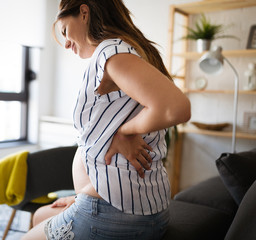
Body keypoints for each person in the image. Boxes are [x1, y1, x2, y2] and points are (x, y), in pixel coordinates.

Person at [22, 0, 191, 239]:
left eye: (65, 31)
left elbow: (176, 108)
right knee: (40, 215)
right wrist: (81, 195)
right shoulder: (132, 51)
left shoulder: (110, 52)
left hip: (113, 211)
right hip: (124, 201)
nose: (67, 43)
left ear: (83, 12)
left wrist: (124, 132)